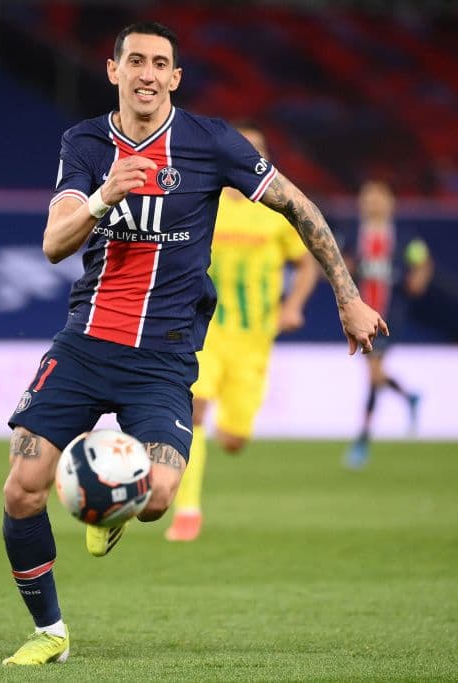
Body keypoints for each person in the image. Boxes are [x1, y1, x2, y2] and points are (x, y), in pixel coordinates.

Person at [0, 21, 387, 665]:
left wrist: (347, 297)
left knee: (156, 497)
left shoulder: (212, 144)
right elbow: (53, 244)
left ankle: (109, 511)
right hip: (86, 342)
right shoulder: (87, 142)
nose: (148, 73)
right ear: (113, 70)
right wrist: (104, 196)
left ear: (175, 77)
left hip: (164, 357)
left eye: (161, 63)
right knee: (21, 486)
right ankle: (50, 634)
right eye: (136, 61)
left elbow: (300, 207)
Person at [164, 123, 320, 543]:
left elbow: (308, 262)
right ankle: (188, 511)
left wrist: (293, 306)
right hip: (207, 333)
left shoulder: (275, 209)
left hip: (254, 342)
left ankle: (197, 450)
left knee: (232, 439)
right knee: (194, 409)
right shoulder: (205, 202)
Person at [343, 180, 432, 469]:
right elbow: (338, 261)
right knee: (374, 374)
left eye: (378, 198)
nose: (372, 203)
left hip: (389, 318)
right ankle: (409, 397)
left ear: (390, 203)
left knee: (373, 373)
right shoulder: (354, 236)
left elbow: (423, 261)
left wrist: (418, 280)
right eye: (367, 198)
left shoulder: (403, 239)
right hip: (360, 315)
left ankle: (361, 443)